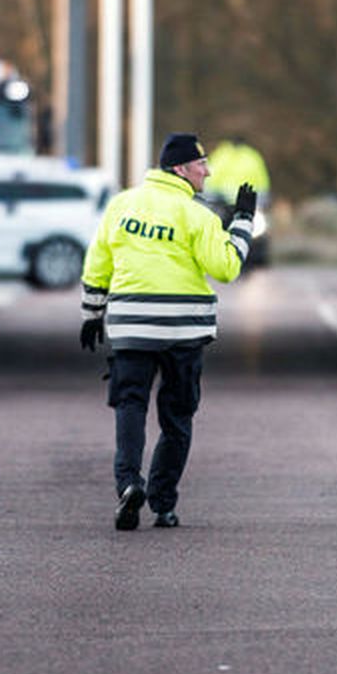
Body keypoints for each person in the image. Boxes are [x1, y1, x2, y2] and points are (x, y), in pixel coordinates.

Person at [80, 132, 257, 530]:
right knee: (177, 418)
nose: (208, 172)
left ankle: (128, 485)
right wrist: (243, 221)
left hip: (131, 327)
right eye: (201, 165)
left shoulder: (121, 204)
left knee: (130, 406)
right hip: (183, 332)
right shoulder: (198, 216)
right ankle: (163, 504)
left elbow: (98, 262)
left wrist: (92, 313)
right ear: (180, 169)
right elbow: (227, 267)